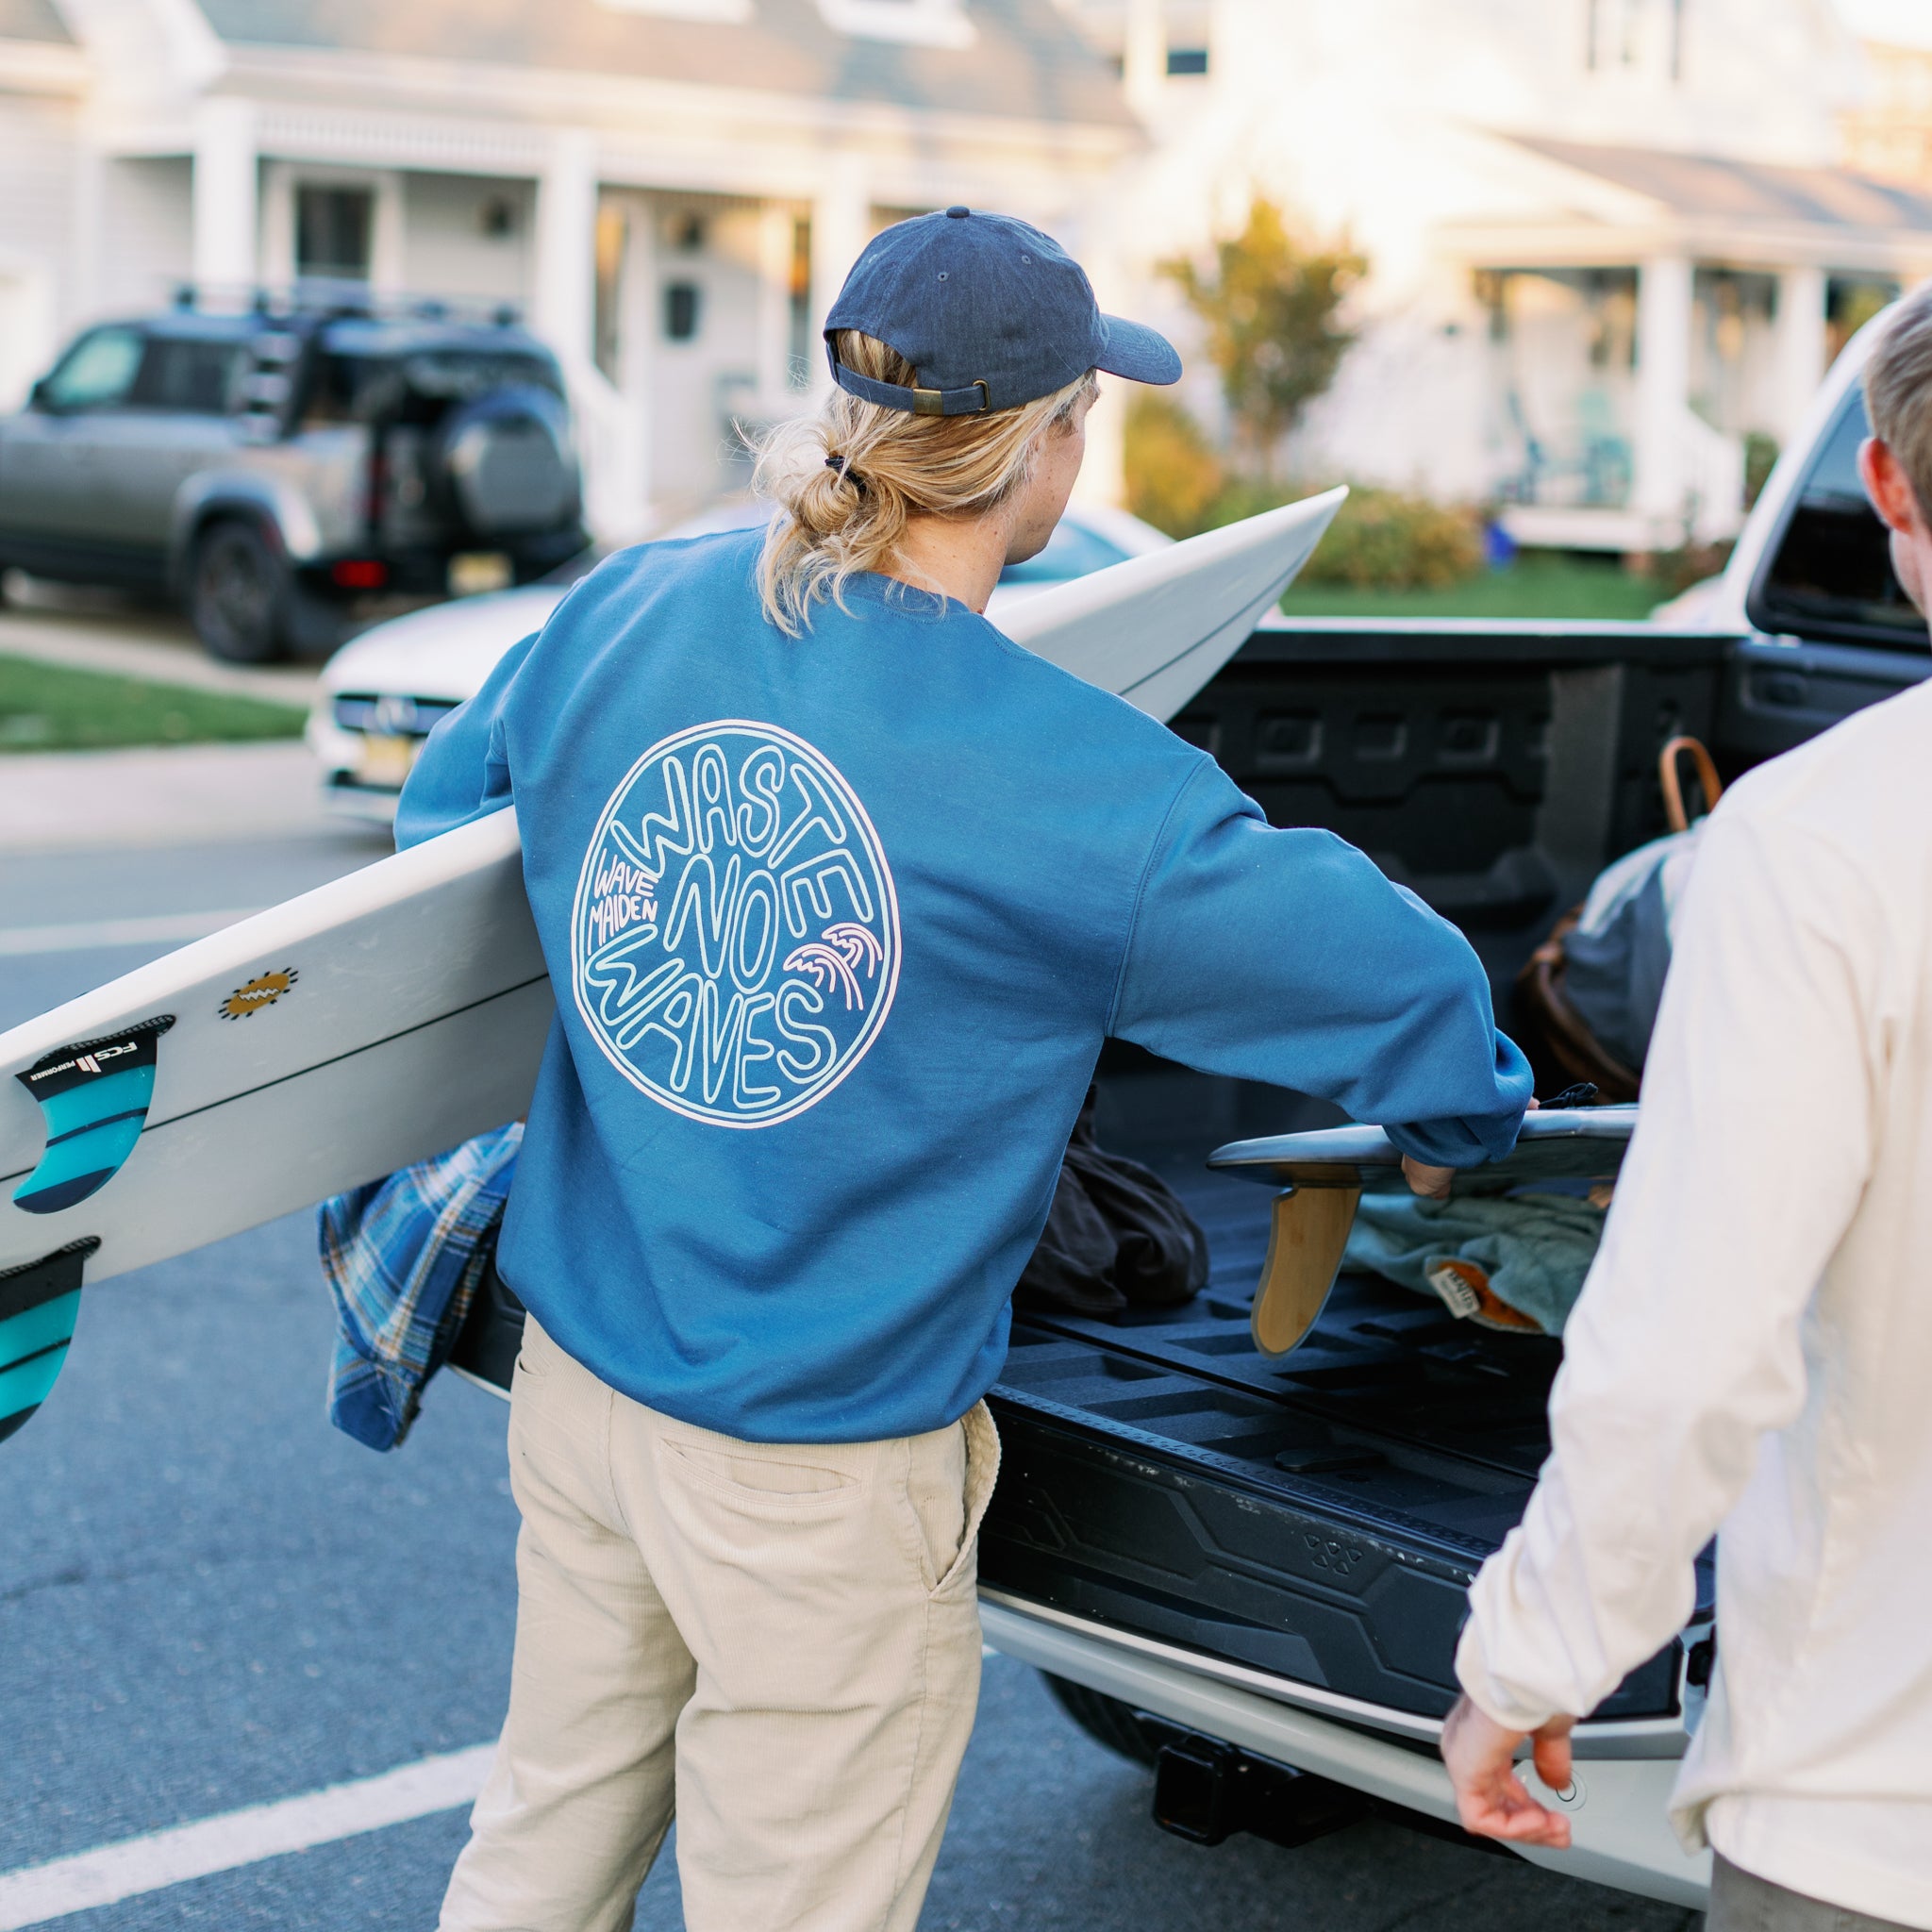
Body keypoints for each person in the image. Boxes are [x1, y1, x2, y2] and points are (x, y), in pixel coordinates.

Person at [402, 207, 1531, 1932]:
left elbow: (440, 846)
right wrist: (1462, 1131)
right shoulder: (1085, 790)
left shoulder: (627, 610)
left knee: (540, 1846)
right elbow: (1407, 983)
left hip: (581, 1383)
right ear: (1048, 445)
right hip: (820, 1474)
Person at [1441, 280, 1932, 1932]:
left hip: (1877, 1803)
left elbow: (1694, 1342)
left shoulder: (1820, 846)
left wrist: (1532, 1652)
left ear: (1883, 489)